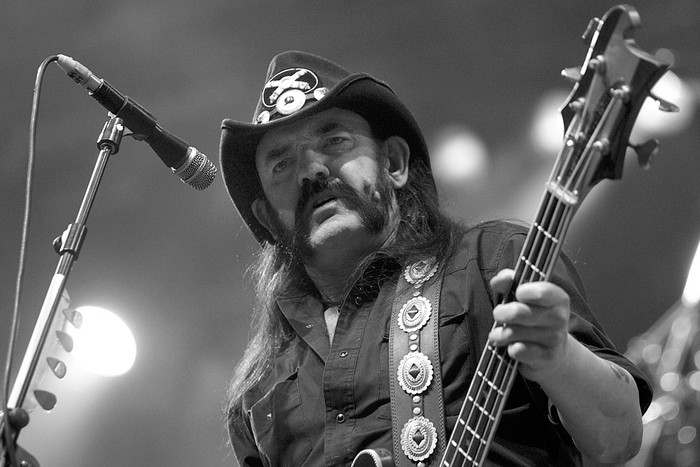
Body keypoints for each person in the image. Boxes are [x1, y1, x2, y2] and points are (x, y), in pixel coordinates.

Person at [218, 51, 651, 467]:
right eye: (280, 164)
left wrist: (558, 354)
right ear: (267, 219)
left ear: (394, 163)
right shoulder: (259, 391)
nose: (310, 170)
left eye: (334, 141)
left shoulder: (495, 262)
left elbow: (621, 438)